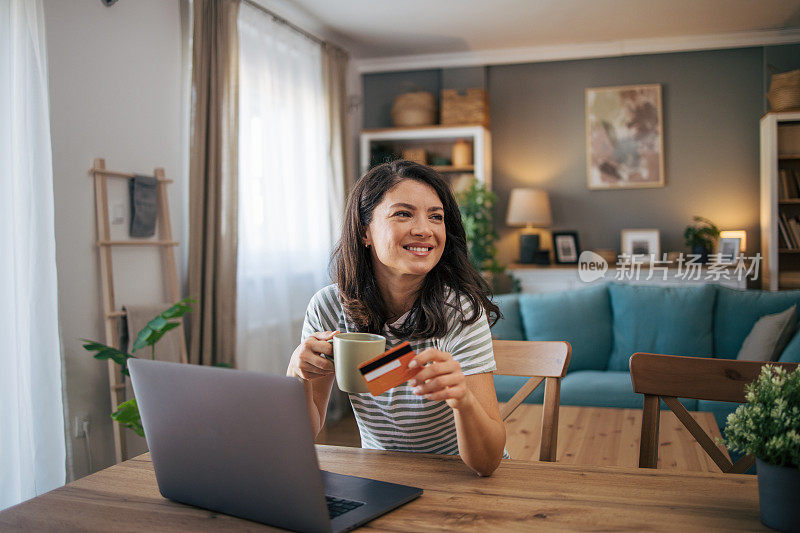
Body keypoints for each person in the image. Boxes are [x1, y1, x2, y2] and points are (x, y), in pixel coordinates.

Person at [287, 160, 506, 476]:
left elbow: (487, 464)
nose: (424, 229)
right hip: (382, 478)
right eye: (404, 213)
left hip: (460, 480)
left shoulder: (461, 310)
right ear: (365, 232)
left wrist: (464, 401)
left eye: (436, 217)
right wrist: (298, 376)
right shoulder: (329, 307)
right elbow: (301, 436)